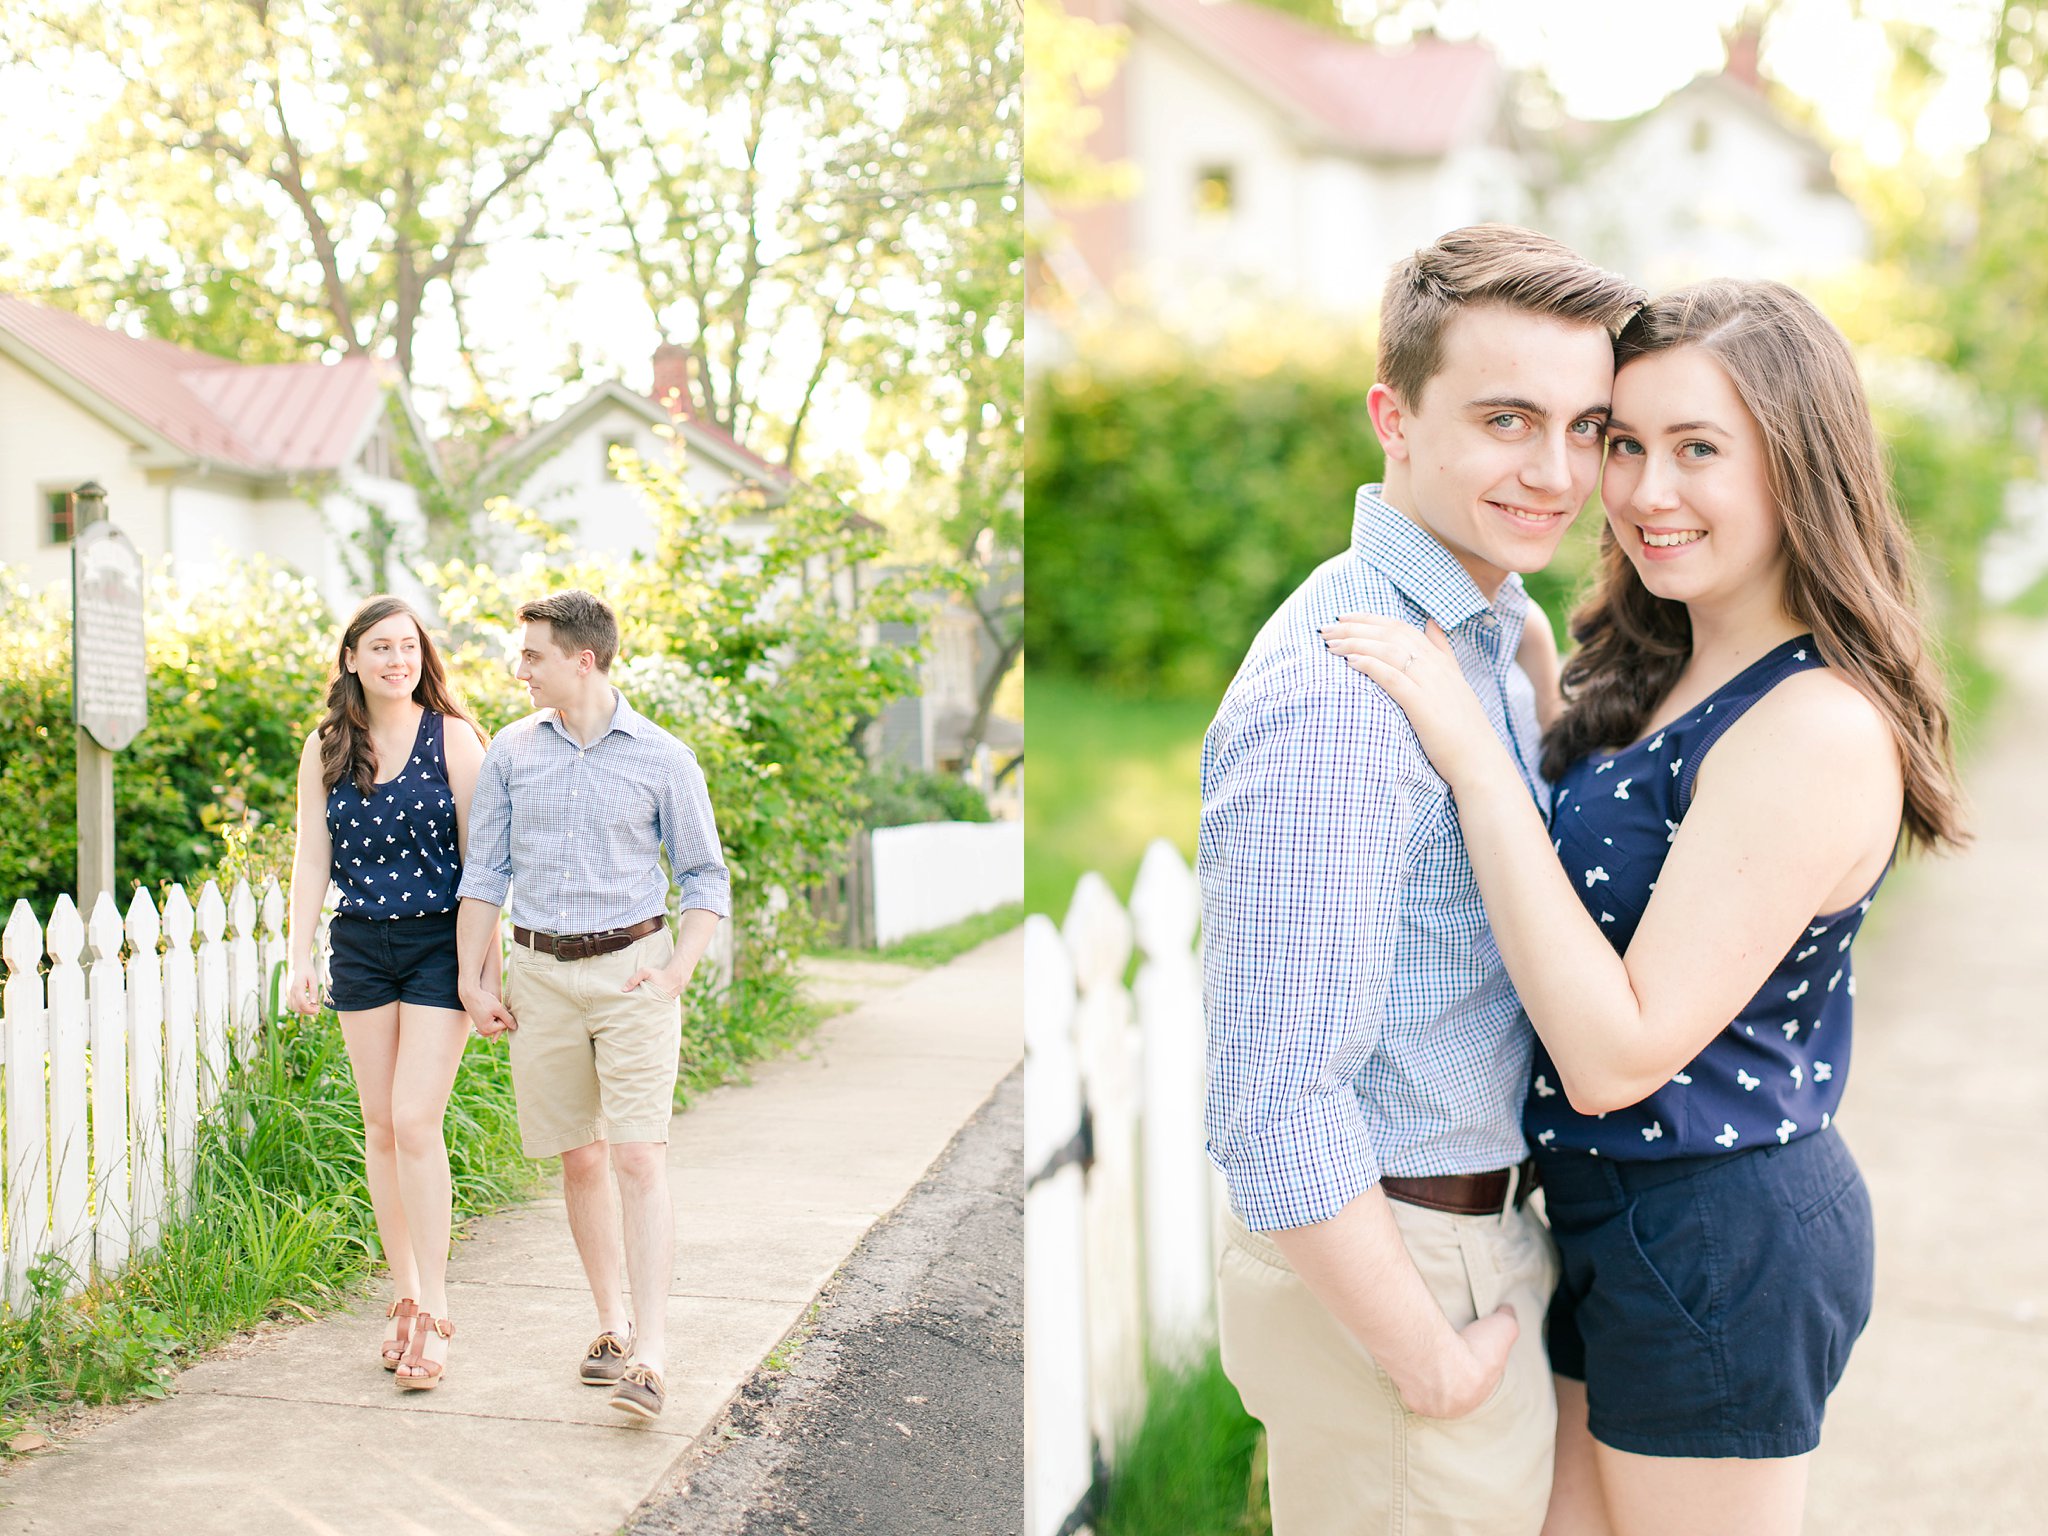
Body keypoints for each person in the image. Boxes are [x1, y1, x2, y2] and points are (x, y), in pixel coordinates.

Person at [1322, 278, 1965, 1536]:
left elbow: (1616, 1054)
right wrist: (1516, 668)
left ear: (1798, 469)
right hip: (1611, 1222)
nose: (1641, 491)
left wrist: (1469, 753)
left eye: (1697, 451)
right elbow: (1618, 864)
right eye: (1625, 443)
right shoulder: (1672, 654)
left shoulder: (1817, 725)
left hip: (1717, 1239)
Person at [1198, 225, 1642, 1534]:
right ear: (1393, 417)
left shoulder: (1490, 639)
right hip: (1403, 1273)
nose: (1557, 472)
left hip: (1476, 1241)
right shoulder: (1342, 694)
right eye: (1508, 420)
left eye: (1586, 426)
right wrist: (1428, 1361)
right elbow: (1275, 1104)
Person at [455, 588, 729, 1423]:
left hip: (634, 973)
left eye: (532, 654)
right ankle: (610, 1328)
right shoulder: (510, 751)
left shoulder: (663, 758)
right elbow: (487, 874)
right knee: (579, 1157)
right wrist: (475, 977)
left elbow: (704, 876)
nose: (519, 669)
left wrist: (678, 969)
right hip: (538, 974)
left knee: (639, 1157)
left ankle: (652, 1353)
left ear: (583, 659)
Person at [286, 595, 492, 1391]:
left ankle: (437, 1309)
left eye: (407, 646)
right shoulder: (329, 744)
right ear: (351, 660)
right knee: (378, 1126)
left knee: (415, 1119)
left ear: (422, 656)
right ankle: (402, 1292)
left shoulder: (457, 740)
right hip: (363, 946)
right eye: (380, 648)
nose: (396, 660)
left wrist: (482, 973)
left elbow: (484, 868)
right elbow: (313, 858)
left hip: (441, 947)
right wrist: (299, 954)